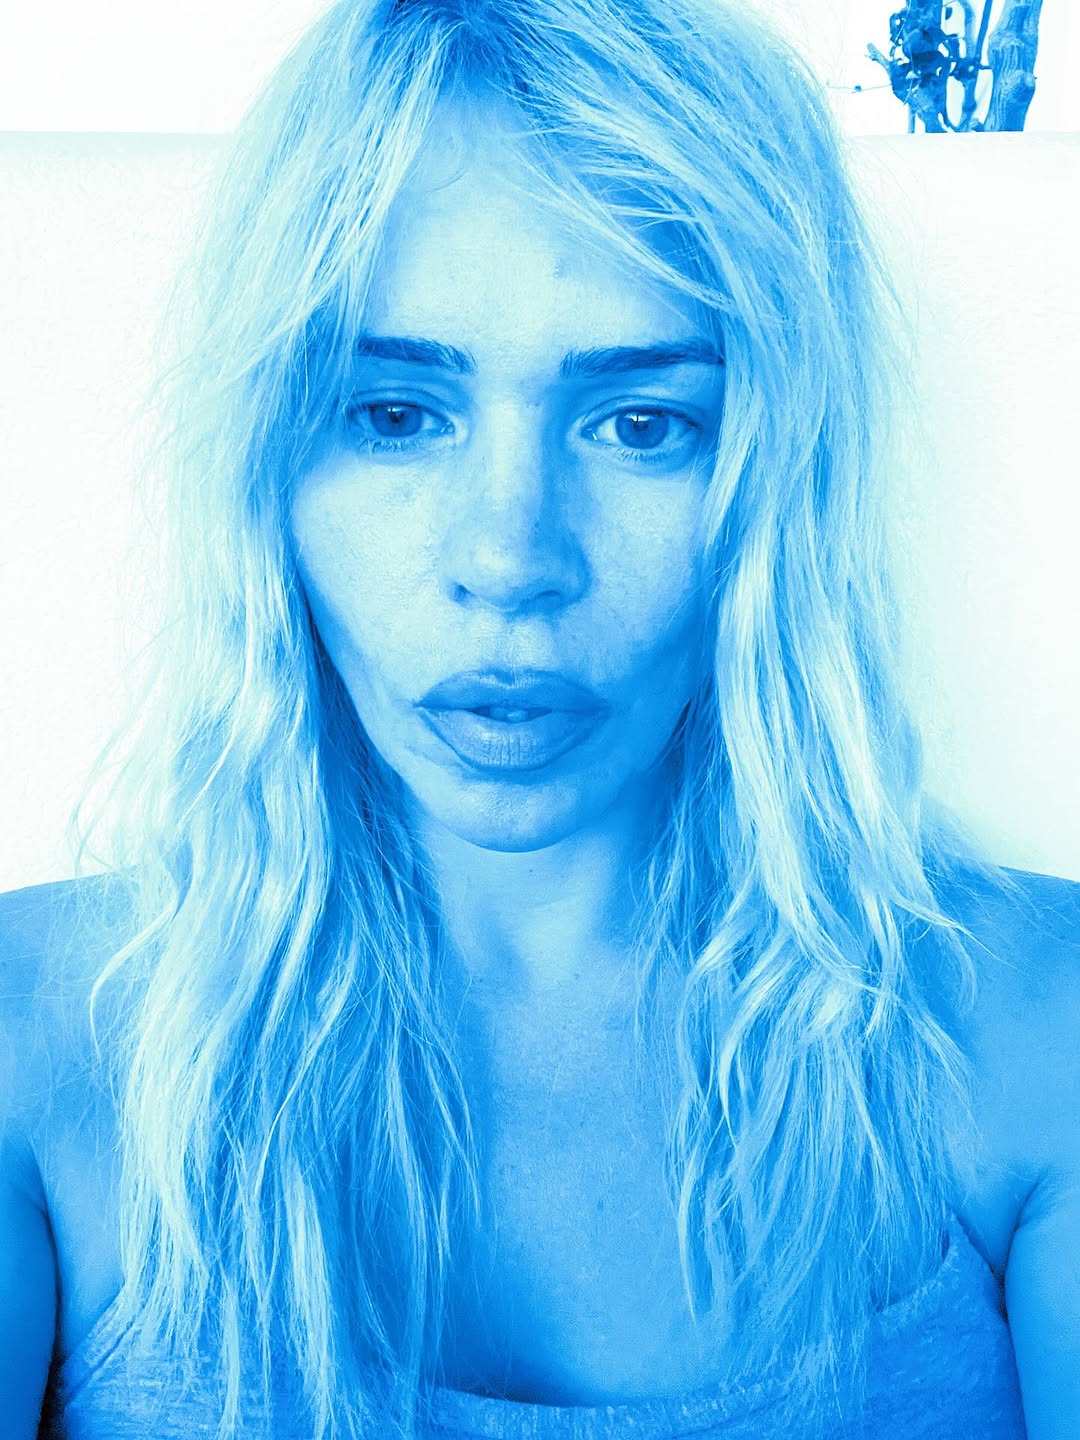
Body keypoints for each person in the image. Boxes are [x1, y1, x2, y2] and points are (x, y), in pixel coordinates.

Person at [1, 0, 1077, 1436]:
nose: (511, 559)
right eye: (395, 414)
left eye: (643, 424)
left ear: (775, 476)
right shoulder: (34, 1043)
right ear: (265, 461)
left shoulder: (1039, 1031)